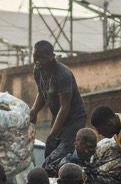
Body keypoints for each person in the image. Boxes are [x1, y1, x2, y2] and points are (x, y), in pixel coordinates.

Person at [29, 41, 87, 174]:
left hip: (73, 119)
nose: (36, 61)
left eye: (41, 58)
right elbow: (41, 93)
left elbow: (65, 107)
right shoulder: (38, 71)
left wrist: (53, 135)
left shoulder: (63, 74)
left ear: (51, 57)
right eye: (34, 57)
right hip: (58, 117)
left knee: (57, 157)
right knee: (50, 153)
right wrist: (34, 111)